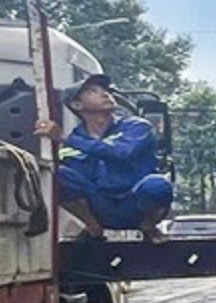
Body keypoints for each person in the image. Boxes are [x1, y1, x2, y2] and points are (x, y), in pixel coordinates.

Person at [38, 74, 173, 240]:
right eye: (93, 91)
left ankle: (148, 226)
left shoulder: (137, 126)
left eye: (106, 90)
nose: (105, 94)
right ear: (77, 104)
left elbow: (122, 153)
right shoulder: (74, 141)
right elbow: (72, 181)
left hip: (135, 203)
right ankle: (93, 226)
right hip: (101, 206)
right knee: (56, 174)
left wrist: (66, 139)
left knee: (157, 185)